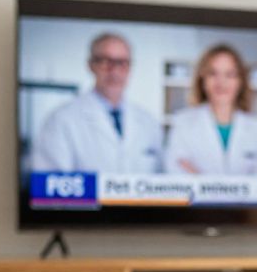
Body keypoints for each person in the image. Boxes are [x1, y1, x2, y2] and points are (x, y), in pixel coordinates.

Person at [33, 33, 162, 173]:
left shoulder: (149, 123)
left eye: (122, 63)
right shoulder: (61, 119)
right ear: (91, 65)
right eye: (106, 62)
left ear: (130, 68)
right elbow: (50, 185)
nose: (115, 71)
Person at [163, 44, 257, 175]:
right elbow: (177, 172)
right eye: (213, 73)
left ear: (241, 81)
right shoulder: (183, 123)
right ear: (203, 79)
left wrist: (200, 177)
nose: (221, 82)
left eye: (230, 74)